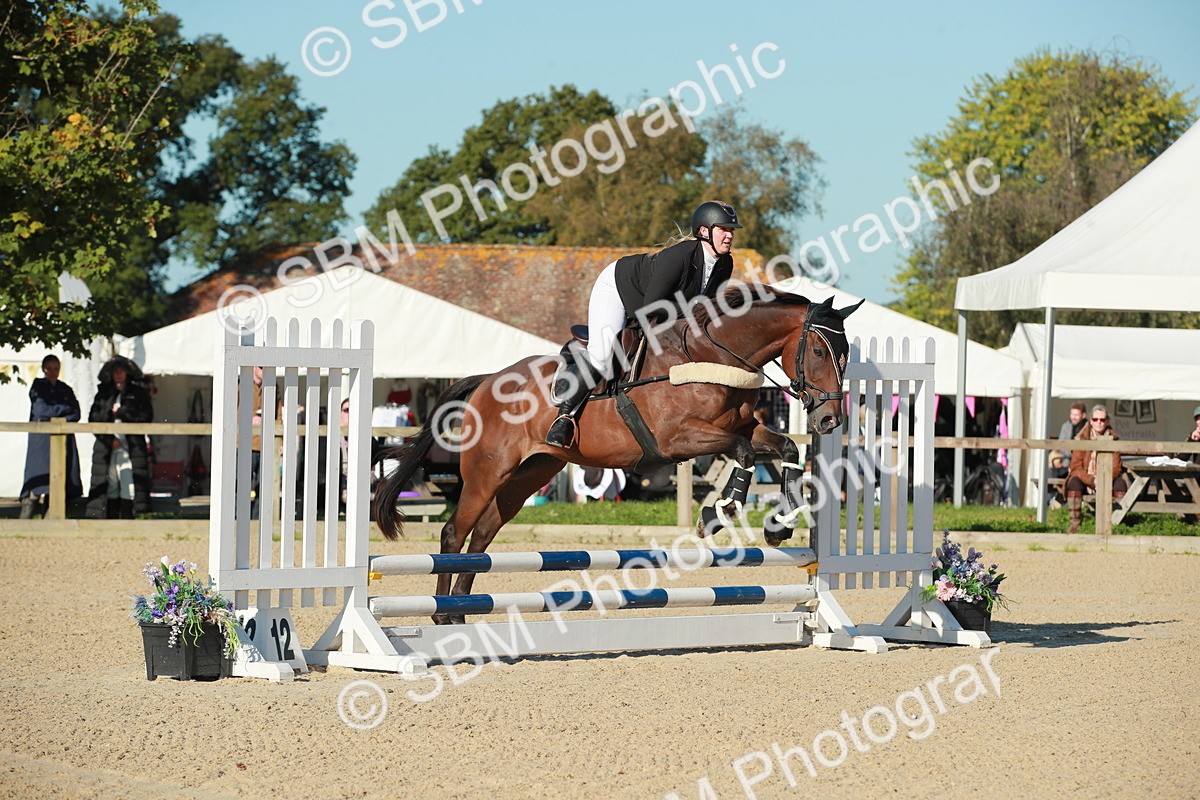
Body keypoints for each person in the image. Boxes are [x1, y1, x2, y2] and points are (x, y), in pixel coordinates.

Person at [545, 200, 741, 448]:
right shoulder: (679, 256)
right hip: (618, 288)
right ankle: (563, 417)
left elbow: (707, 310)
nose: (729, 235)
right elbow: (653, 306)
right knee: (603, 355)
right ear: (704, 232)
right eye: (724, 229)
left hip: (657, 307)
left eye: (732, 230)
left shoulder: (725, 264)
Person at [86, 356, 154, 518]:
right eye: (115, 371)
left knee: (129, 482)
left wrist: (122, 412)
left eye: (121, 371)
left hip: (131, 445)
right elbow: (94, 419)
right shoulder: (103, 393)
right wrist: (110, 441)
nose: (118, 374)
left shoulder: (138, 393)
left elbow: (146, 416)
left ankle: (127, 520)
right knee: (110, 483)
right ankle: (110, 521)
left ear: (127, 373)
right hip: (107, 446)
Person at [19, 355, 83, 518]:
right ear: (43, 369)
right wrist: (63, 411)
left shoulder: (65, 389)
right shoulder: (38, 387)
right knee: (37, 483)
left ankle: (50, 525)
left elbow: (76, 412)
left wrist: (59, 416)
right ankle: (22, 526)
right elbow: (41, 410)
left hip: (63, 440)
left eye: (56, 368)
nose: (53, 372)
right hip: (41, 442)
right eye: (49, 368)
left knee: (58, 485)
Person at [1064, 404, 1127, 534]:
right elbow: (1075, 467)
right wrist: (1092, 480)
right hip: (1086, 478)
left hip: (1107, 477)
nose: (1099, 422)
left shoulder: (1113, 439)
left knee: (1121, 484)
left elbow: (1117, 467)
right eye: (1096, 419)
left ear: (1107, 421)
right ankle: (1075, 525)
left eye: (1102, 420)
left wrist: (1104, 479)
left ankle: (1116, 523)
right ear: (1091, 421)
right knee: (1074, 482)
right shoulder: (1081, 439)